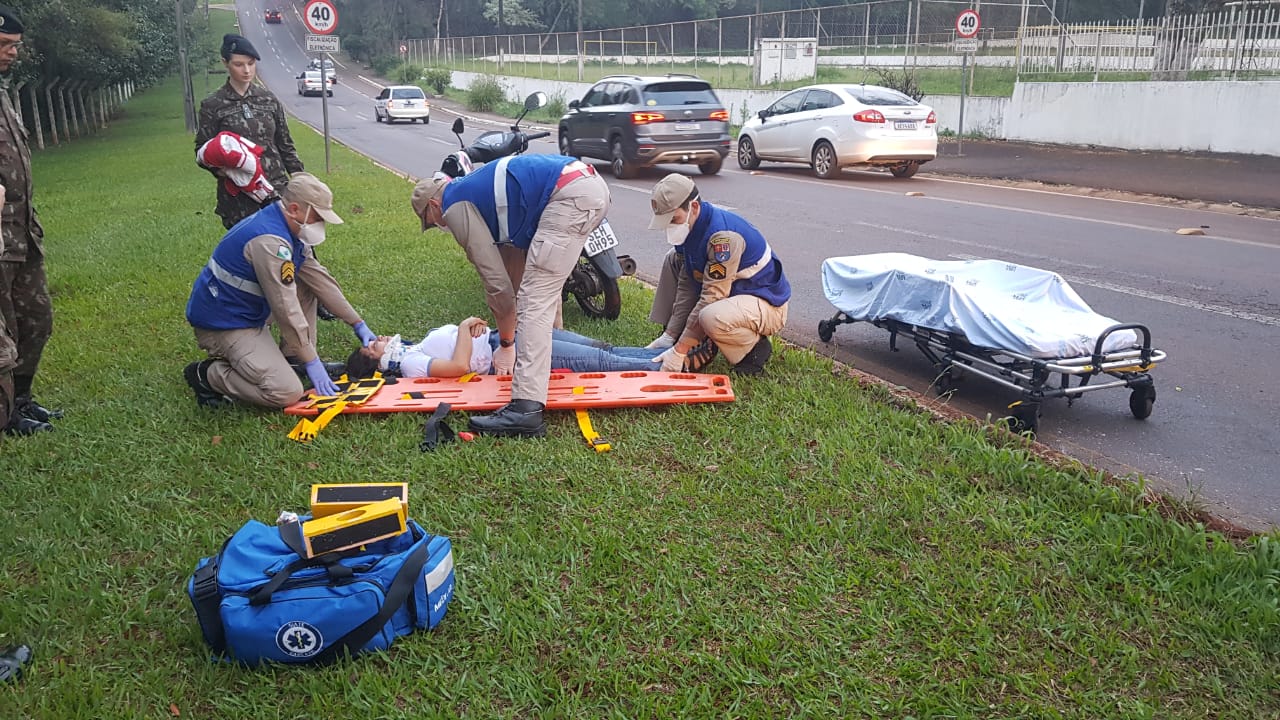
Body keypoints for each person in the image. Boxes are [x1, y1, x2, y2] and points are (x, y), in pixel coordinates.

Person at [411, 154, 610, 438]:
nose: (437, 226)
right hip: (584, 187)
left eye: (430, 221)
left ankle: (526, 410)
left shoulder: (454, 206)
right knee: (539, 289)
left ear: (433, 205)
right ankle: (557, 355)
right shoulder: (476, 193)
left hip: (570, 196)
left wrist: (506, 344)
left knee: (533, 302)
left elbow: (497, 286)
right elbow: (513, 267)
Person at [184, 173, 376, 409]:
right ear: (295, 209)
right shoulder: (271, 242)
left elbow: (320, 280)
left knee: (308, 285)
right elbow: (285, 308)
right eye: (317, 217)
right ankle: (207, 375)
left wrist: (357, 323)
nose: (320, 224)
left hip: (248, 310)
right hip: (226, 323)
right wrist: (312, 360)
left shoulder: (287, 227)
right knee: (285, 392)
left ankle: (293, 358)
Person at [647, 174, 790, 376]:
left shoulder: (723, 239)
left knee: (710, 316)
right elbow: (688, 284)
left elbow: (712, 296)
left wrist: (680, 350)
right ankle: (679, 335)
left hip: (766, 303)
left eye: (674, 219)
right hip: (736, 294)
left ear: (694, 207)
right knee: (673, 258)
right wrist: (671, 335)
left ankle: (754, 350)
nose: (671, 225)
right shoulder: (691, 229)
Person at [0, 5, 57, 437]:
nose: (12, 53)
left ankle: (21, 399)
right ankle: (7, 416)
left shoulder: (3, 94)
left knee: (35, 320)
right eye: (4, 45)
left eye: (15, 46)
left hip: (22, 236)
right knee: (3, 336)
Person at [196, 33, 304, 230]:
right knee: (250, 252)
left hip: (276, 187)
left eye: (251, 63)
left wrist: (299, 176)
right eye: (239, 64)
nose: (246, 70)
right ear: (225, 63)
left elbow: (284, 143)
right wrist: (224, 171)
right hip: (239, 195)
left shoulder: (268, 99)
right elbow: (202, 151)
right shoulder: (213, 105)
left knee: (292, 245)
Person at [345, 316, 665, 380]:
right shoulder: (412, 365)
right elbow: (459, 368)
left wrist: (470, 329)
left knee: (600, 347)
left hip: (506, 338)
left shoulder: (415, 349)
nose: (377, 340)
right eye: (372, 348)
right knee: (598, 360)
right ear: (380, 364)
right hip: (511, 352)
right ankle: (664, 368)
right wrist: (463, 329)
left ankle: (667, 355)